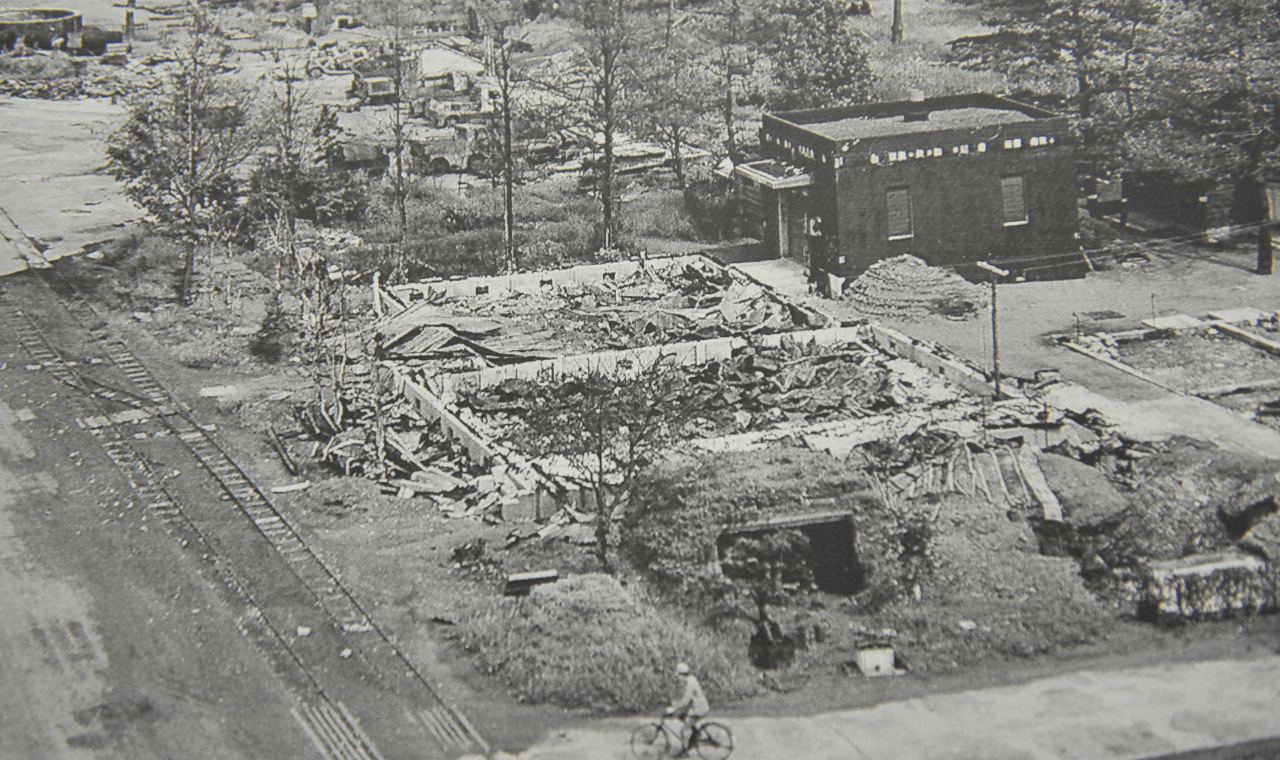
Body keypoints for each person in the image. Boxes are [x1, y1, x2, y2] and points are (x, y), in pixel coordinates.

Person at [666, 662, 709, 757]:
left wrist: (675, 707)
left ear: (681, 674)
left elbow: (686, 700)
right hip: (698, 707)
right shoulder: (691, 679)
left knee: (683, 730)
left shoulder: (690, 683)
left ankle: (685, 752)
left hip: (698, 709)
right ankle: (695, 736)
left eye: (678, 675)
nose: (678, 678)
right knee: (684, 718)